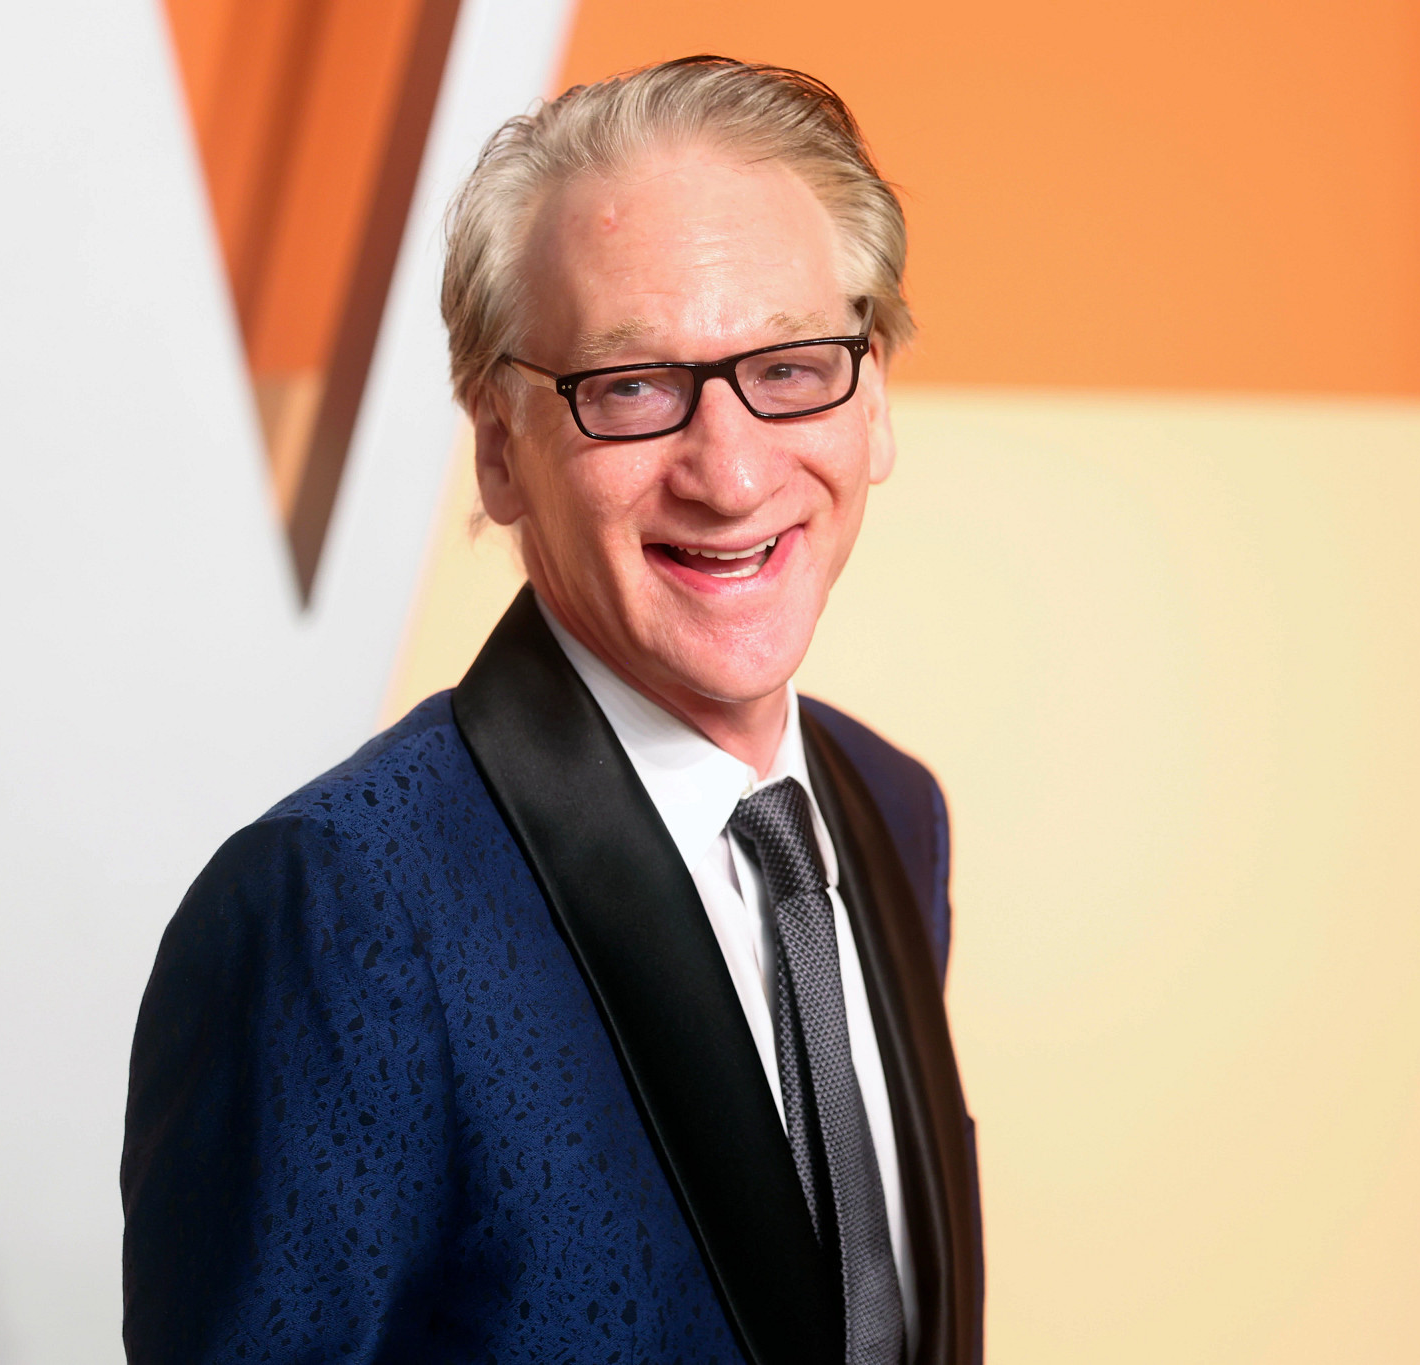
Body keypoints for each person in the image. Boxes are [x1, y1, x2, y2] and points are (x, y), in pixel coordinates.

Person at [121, 56, 981, 1365]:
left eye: (793, 367)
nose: (732, 470)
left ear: (873, 399)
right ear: (499, 448)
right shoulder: (337, 909)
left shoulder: (888, 813)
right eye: (632, 389)